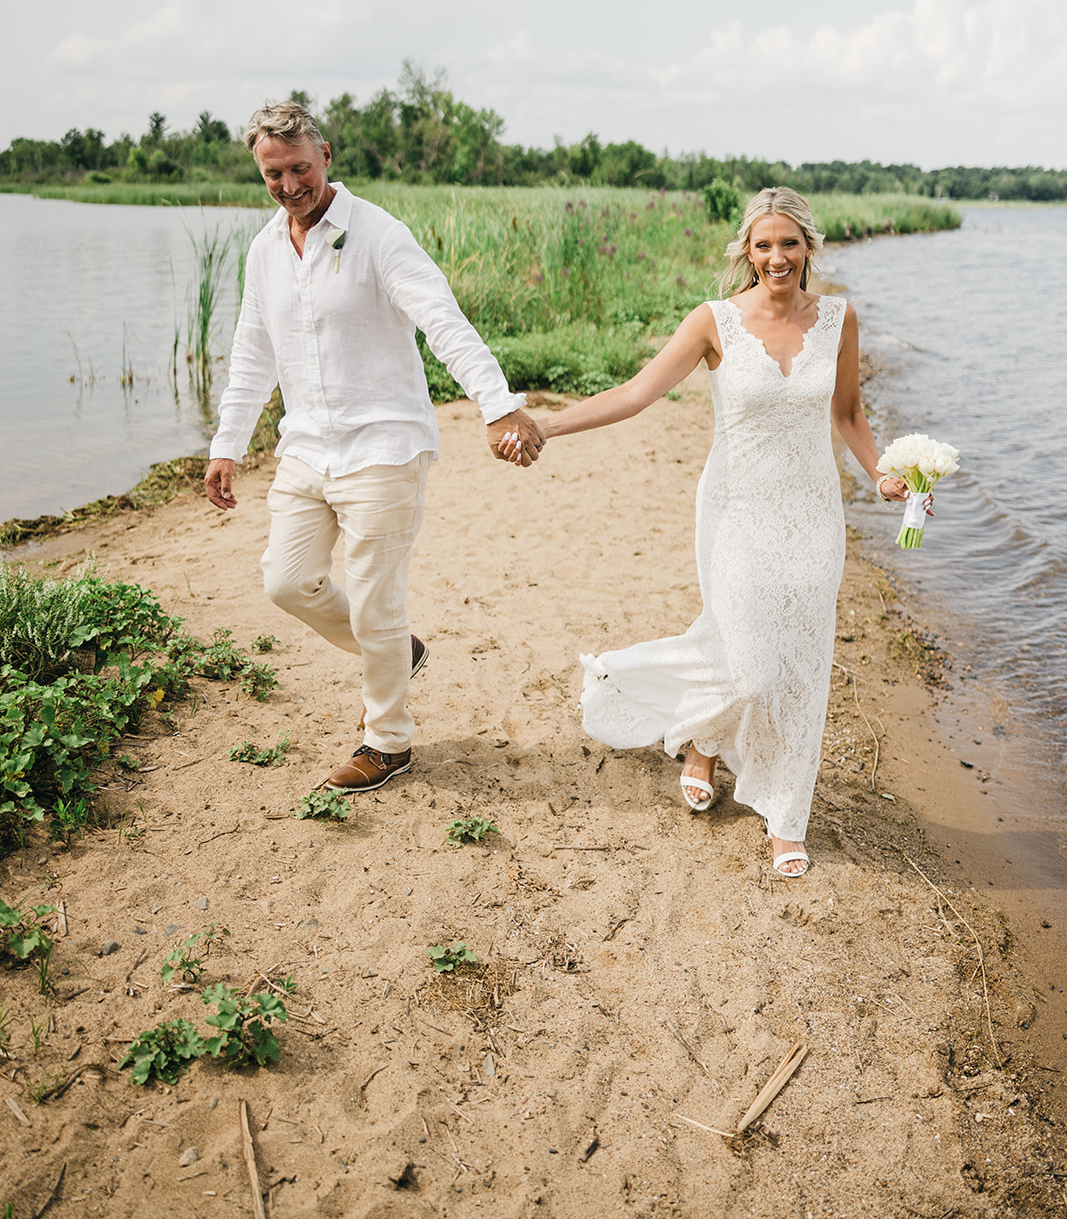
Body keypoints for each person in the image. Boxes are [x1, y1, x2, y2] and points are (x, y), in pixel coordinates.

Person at [507, 187, 915, 876]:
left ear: (808, 247)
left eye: (788, 243)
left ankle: (785, 813)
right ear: (746, 252)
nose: (776, 257)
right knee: (752, 665)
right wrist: (543, 424)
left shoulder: (840, 319)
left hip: (814, 514)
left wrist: (882, 474)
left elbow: (847, 414)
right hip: (736, 512)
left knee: (798, 669)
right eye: (763, 245)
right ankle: (699, 733)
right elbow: (636, 394)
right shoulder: (714, 322)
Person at [204, 100, 544, 794]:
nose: (288, 184)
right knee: (284, 581)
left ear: (325, 157)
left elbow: (442, 322)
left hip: (384, 447)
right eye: (273, 173)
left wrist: (498, 406)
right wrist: (226, 444)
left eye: (298, 168)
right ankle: (397, 653)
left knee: (374, 603)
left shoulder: (379, 234)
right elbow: (252, 352)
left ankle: (387, 742)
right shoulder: (265, 248)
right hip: (305, 447)